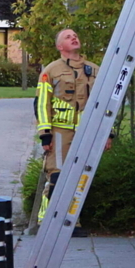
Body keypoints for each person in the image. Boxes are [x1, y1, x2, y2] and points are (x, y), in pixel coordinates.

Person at [35, 28, 110, 226]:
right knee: (57, 176)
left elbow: (106, 103)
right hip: (60, 132)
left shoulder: (95, 70)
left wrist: (107, 133)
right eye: (68, 37)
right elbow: (42, 104)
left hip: (86, 133)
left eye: (75, 35)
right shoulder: (50, 71)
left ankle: (71, 222)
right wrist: (45, 135)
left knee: (80, 178)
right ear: (60, 46)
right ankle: (47, 220)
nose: (74, 38)